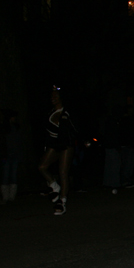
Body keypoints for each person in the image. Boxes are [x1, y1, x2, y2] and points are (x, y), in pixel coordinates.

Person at [38, 86, 77, 216]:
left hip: (66, 145)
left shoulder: (65, 113)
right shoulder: (50, 112)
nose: (53, 98)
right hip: (53, 145)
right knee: (42, 167)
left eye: (56, 96)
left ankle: (62, 201)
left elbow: (73, 129)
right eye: (52, 96)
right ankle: (55, 186)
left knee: (63, 172)